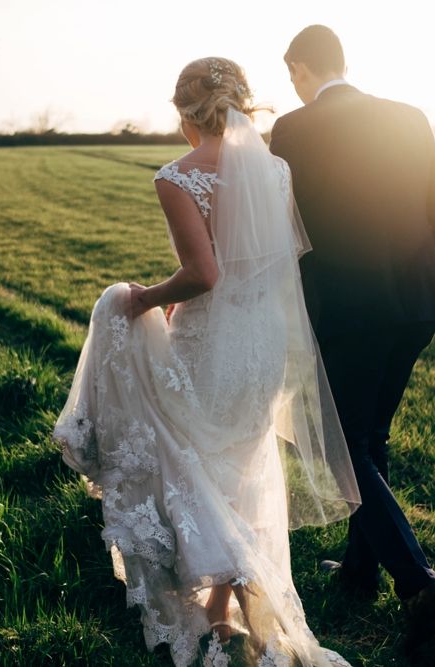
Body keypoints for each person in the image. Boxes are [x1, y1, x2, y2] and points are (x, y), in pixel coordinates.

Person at [53, 57, 360, 667]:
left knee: (192, 463)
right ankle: (225, 610)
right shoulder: (275, 171)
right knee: (241, 468)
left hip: (212, 340)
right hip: (263, 341)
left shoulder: (177, 176)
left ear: (185, 113)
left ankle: (222, 604)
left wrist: (143, 298)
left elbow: (202, 274)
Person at [269, 25, 435, 659]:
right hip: (418, 303)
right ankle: (362, 571)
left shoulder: (294, 129)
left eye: (293, 75)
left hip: (350, 307)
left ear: (301, 68)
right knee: (372, 435)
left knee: (344, 447)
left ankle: (419, 583)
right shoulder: (410, 116)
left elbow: (291, 223)